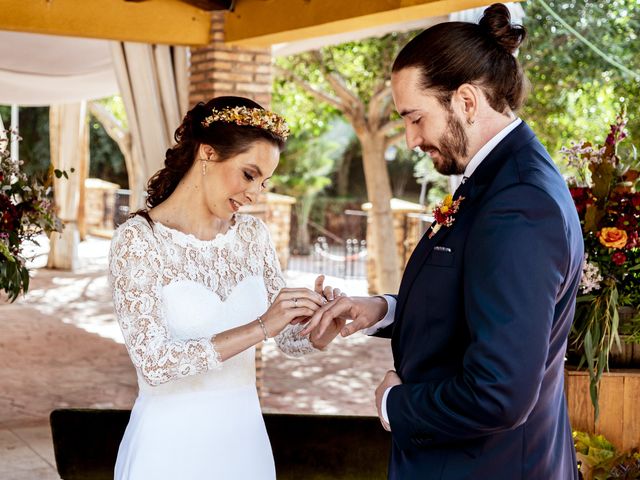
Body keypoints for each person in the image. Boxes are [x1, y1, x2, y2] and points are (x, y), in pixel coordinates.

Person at [302, 4, 583, 478]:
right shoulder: (494, 182)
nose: (410, 139)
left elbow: (499, 392)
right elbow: (470, 302)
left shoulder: (519, 202)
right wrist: (382, 310)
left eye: (415, 117)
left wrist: (396, 403)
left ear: (467, 102)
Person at [108, 96, 341, 479]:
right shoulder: (139, 241)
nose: (255, 194)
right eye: (249, 175)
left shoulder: (252, 236)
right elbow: (154, 363)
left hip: (243, 440)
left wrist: (319, 331)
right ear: (208, 153)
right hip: (169, 445)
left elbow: (286, 340)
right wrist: (262, 326)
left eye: (264, 183)